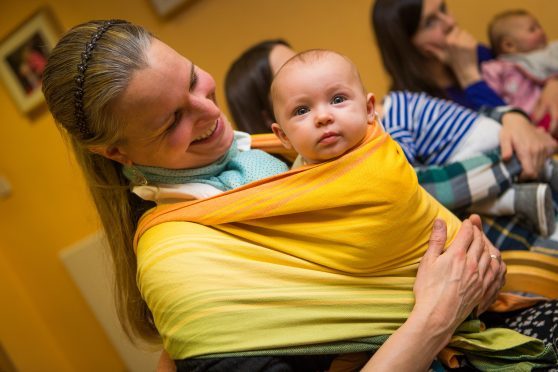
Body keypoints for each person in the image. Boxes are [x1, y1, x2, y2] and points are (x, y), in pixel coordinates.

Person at [40, 20, 554, 371]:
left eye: (196, 79)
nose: (208, 111)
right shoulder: (178, 261)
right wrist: (438, 313)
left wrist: (469, 269)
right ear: (117, 151)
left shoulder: (263, 152)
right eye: (173, 119)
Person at [370, 0, 558, 160]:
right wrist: (469, 76)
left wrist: (551, 83)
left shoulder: (481, 54)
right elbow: (508, 141)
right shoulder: (412, 109)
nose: (450, 22)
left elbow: (531, 69)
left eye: (443, 9)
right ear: (407, 44)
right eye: (430, 23)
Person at [381, 89, 558, 237]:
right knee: (447, 191)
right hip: (483, 137)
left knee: (426, 189)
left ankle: (515, 188)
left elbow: (400, 166)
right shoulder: (402, 99)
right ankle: (532, 185)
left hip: (478, 144)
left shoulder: (391, 119)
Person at [482, 9, 558, 132]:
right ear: (509, 45)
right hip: (523, 123)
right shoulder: (499, 68)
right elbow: (491, 96)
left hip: (549, 112)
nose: (542, 31)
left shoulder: (549, 55)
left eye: (540, 27)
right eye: (532, 29)